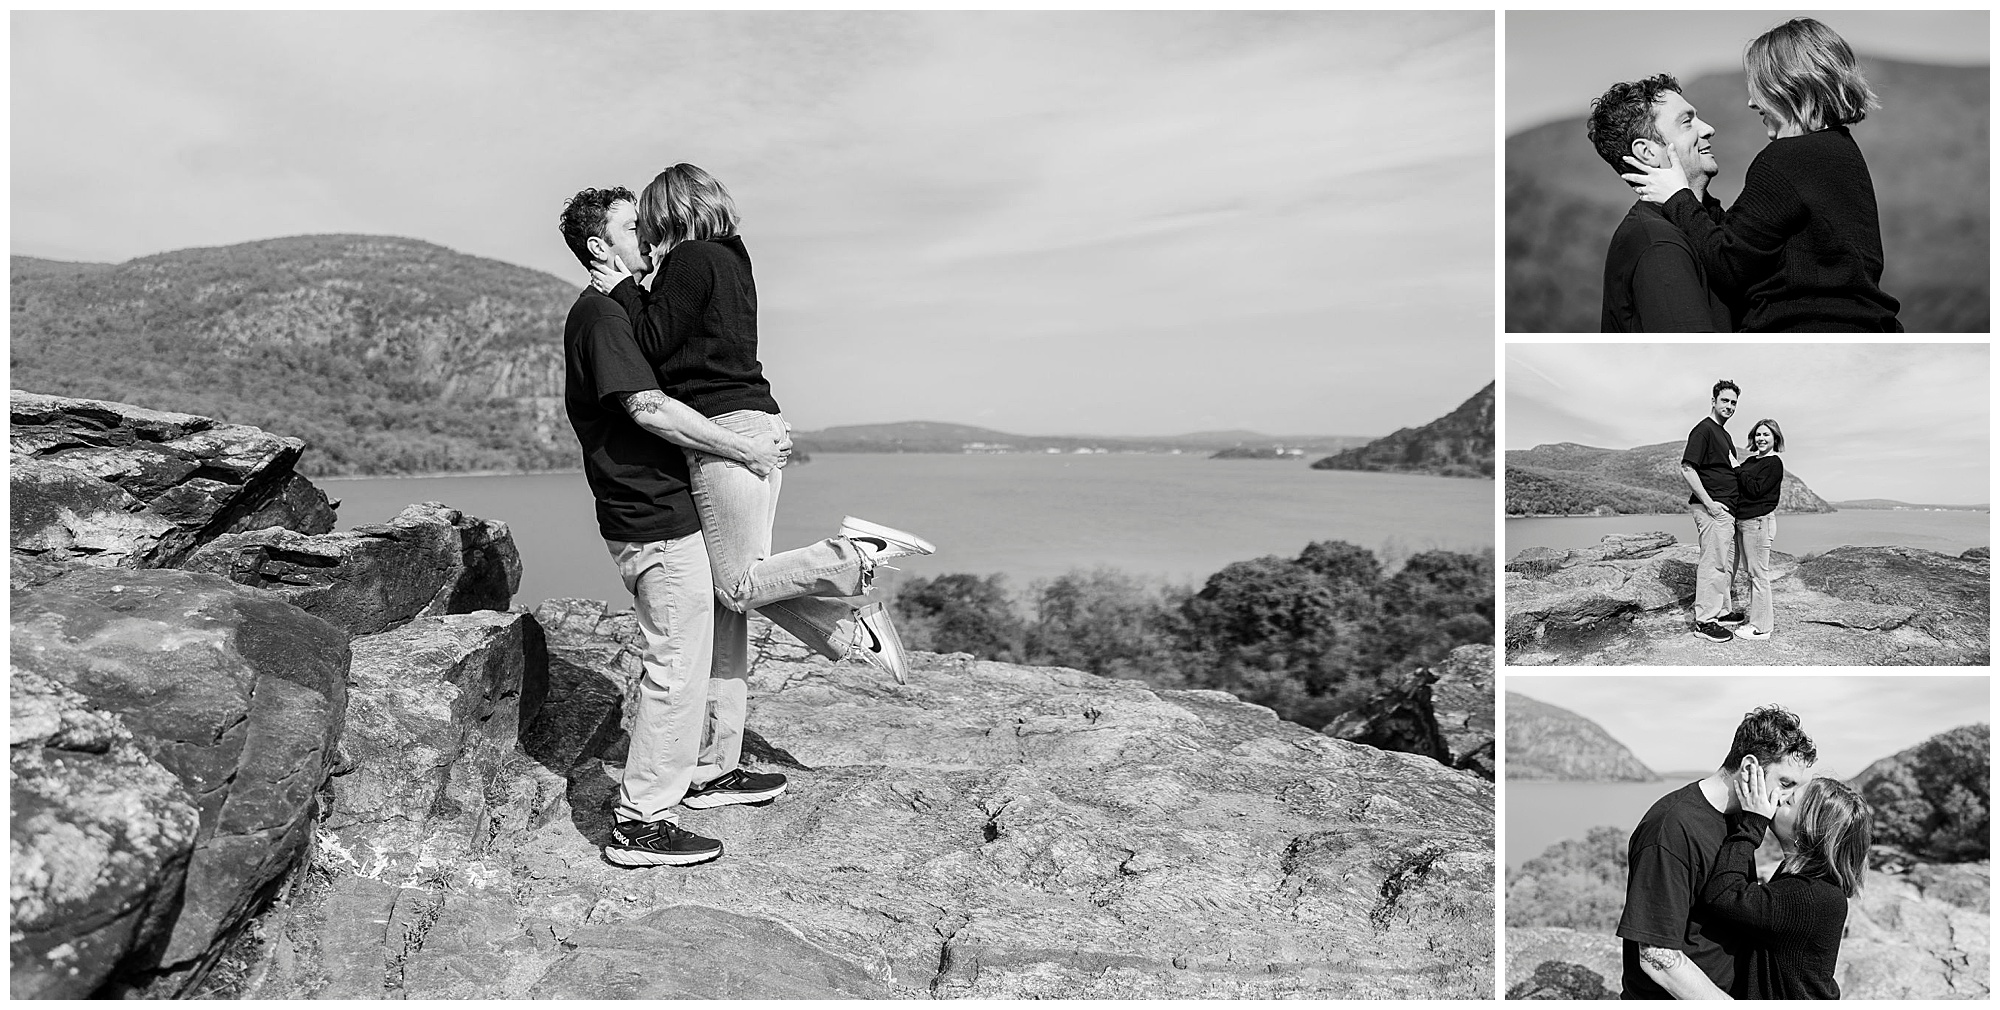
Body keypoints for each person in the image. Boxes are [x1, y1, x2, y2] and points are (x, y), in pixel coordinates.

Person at [593, 163, 935, 699]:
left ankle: (855, 553)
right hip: (759, 419)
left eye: (648, 219)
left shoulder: (690, 258)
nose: (647, 232)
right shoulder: (733, 258)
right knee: (756, 575)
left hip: (726, 428)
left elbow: (654, 342)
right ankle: (852, 631)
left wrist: (622, 290)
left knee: (735, 585)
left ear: (668, 211)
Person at [558, 186, 798, 869]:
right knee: (676, 668)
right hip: (652, 521)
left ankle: (709, 770)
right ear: (600, 246)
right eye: (635, 227)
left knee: (714, 635)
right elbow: (651, 409)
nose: (652, 234)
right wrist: (744, 448)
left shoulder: (622, 308)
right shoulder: (600, 315)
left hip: (674, 511)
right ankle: (640, 823)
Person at [1621, 18, 1902, 332]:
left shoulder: (1787, 159)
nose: (1753, 102)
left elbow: (1728, 263)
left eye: (1760, 88)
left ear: (1788, 85)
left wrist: (1677, 197)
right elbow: (1749, 237)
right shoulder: (1841, 153)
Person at [1618, 705, 1817, 999]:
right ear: (1750, 768)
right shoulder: (1671, 828)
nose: (1787, 798)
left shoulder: (1743, 818)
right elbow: (1656, 956)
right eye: (1785, 783)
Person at [1699, 763, 1870, 999]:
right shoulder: (1812, 885)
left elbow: (1723, 894)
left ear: (1807, 830)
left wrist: (1752, 824)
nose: (1779, 797)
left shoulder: (1808, 897)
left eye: (1789, 801)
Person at [1588, 74, 1735, 332]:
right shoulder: (1657, 244)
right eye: (1687, 123)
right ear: (1648, 152)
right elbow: (1693, 360)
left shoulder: (1711, 223)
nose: (1708, 128)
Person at [1681, 380, 1744, 643]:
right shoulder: (1704, 430)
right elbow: (1687, 468)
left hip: (1728, 510)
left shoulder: (1725, 435)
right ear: (1714, 401)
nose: (1729, 406)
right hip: (1713, 509)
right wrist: (1710, 504)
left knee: (1728, 564)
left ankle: (1721, 611)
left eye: (1733, 403)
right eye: (1725, 401)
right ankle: (1705, 621)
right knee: (1713, 563)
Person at [1729, 419, 1786, 642]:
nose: (1761, 439)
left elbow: (1754, 490)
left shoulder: (1774, 463)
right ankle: (1758, 621)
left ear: (1775, 439)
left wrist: (1736, 467)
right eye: (1758, 434)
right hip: (1743, 522)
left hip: (1758, 522)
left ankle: (1762, 627)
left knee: (1758, 575)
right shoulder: (1752, 461)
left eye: (1767, 435)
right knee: (1752, 574)